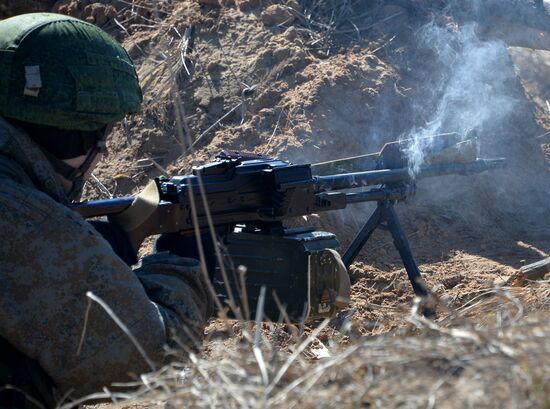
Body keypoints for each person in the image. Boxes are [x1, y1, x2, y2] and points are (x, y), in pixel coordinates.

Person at [0, 12, 214, 408]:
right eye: (103, 136)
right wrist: (181, 264)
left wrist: (100, 252)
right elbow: (145, 366)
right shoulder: (26, 221)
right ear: (76, 137)